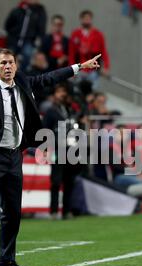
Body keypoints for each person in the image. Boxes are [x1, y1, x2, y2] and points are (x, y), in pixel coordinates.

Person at [0, 48, 102, 266]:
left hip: (14, 156)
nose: (8, 67)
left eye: (11, 63)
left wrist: (80, 67)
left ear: (16, 66)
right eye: (3, 63)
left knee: (13, 211)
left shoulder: (24, 83)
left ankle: (6, 259)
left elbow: (50, 77)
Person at [43, 83, 83, 220]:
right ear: (54, 94)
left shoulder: (71, 111)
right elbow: (45, 131)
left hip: (72, 150)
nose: (62, 95)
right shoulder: (51, 111)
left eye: (64, 92)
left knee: (70, 181)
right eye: (59, 92)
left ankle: (66, 211)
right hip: (57, 150)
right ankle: (53, 211)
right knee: (56, 181)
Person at [69, 10, 110, 89]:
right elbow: (71, 53)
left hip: (93, 70)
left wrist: (106, 67)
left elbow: (104, 52)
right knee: (77, 91)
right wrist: (72, 70)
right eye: (85, 18)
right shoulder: (76, 34)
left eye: (89, 18)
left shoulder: (98, 34)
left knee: (92, 91)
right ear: (81, 19)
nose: (87, 21)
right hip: (80, 68)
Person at [4, 0, 47, 71]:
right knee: (7, 58)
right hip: (14, 40)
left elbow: (41, 29)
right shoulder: (19, 9)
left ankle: (20, 75)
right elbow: (8, 25)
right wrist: (13, 34)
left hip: (28, 41)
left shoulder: (40, 12)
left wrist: (37, 43)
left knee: (27, 56)